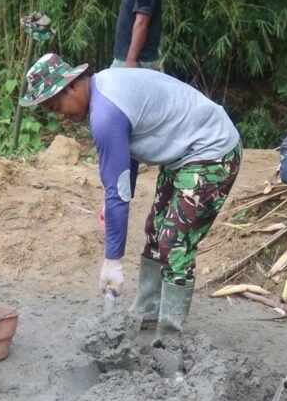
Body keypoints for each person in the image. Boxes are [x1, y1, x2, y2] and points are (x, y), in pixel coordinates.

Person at [20, 53, 241, 334]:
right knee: (155, 229)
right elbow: (125, 166)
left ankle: (169, 335)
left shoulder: (105, 114)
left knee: (174, 241)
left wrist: (112, 260)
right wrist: (115, 196)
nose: (60, 115)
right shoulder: (105, 90)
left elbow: (117, 194)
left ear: (72, 85)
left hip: (212, 151)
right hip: (185, 153)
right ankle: (147, 310)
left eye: (57, 106)